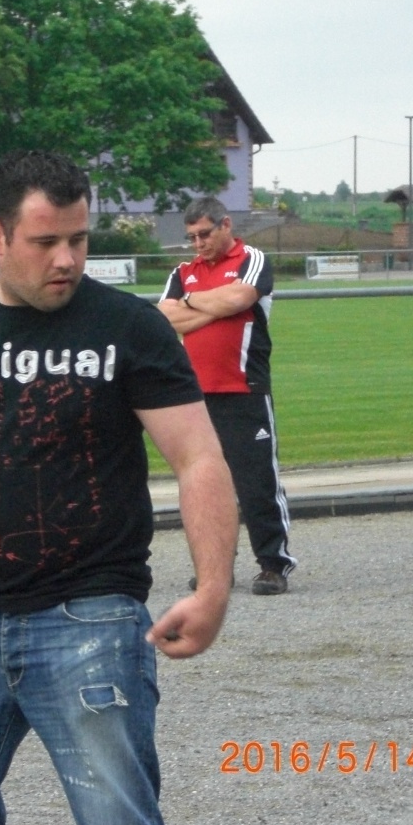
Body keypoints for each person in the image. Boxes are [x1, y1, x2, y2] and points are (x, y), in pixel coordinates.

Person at [0, 150, 239, 825]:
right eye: (45, 242)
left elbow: (199, 459)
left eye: (78, 239)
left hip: (92, 620)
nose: (66, 259)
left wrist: (214, 586)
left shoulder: (129, 326)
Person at [157, 196, 298, 596]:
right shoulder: (183, 272)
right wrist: (212, 306)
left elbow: (239, 298)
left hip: (244, 390)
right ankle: (216, 569)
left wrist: (193, 302)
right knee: (207, 486)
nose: (198, 243)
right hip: (195, 397)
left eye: (204, 234)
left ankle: (273, 565)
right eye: (191, 237)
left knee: (257, 483)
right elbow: (165, 316)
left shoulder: (251, 259)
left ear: (225, 226)